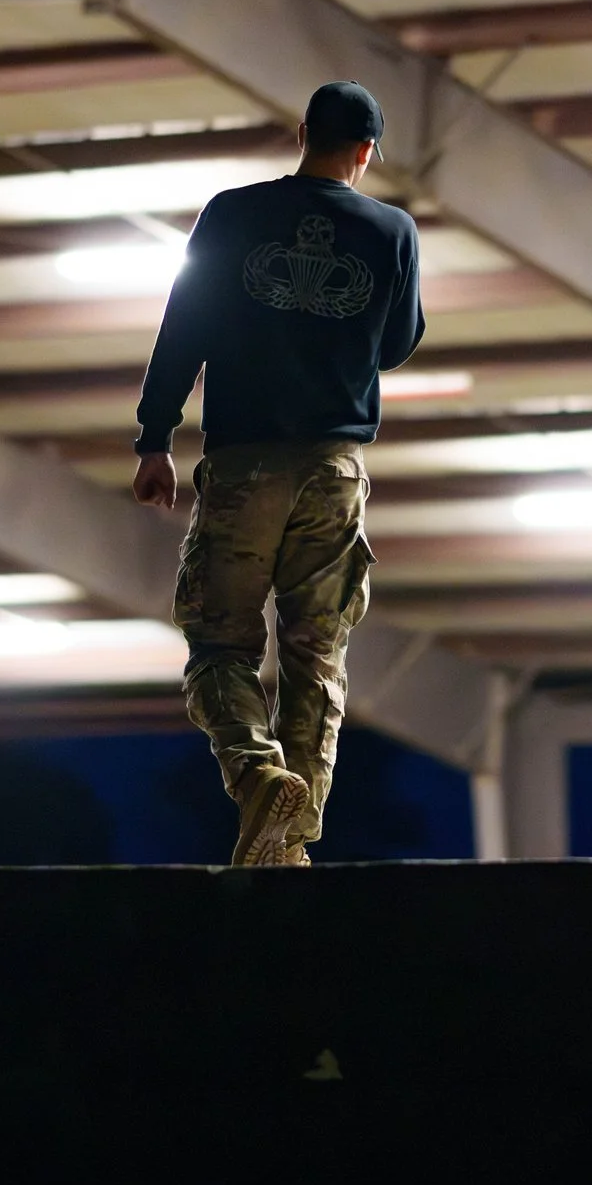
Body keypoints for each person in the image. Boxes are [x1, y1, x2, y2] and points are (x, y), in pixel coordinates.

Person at [132, 81, 425, 868]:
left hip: (242, 463)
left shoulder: (231, 213)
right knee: (315, 656)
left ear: (302, 132)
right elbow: (396, 341)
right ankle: (289, 844)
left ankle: (259, 777)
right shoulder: (394, 230)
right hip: (334, 470)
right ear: (366, 150)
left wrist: (153, 437)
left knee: (219, 646)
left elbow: (182, 325)